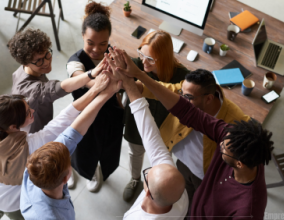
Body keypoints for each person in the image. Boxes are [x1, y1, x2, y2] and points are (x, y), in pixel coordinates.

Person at [113, 49, 274, 220]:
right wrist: (137, 76)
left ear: (239, 164)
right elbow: (186, 110)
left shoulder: (248, 210)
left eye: (223, 149)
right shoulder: (231, 136)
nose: (219, 144)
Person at [0, 74, 109, 220]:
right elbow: (65, 119)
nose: (33, 111)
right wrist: (95, 90)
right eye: (27, 113)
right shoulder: (30, 147)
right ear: (13, 126)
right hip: (13, 203)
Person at [140, 69, 250, 215]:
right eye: (181, 94)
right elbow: (164, 89)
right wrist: (136, 85)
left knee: (196, 207)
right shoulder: (189, 89)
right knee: (180, 200)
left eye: (188, 97)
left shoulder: (234, 121)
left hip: (204, 176)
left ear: (209, 98)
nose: (181, 101)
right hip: (182, 164)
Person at [9, 28, 105, 188]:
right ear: (25, 62)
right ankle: (64, 171)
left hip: (43, 125)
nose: (46, 61)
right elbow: (58, 88)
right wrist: (92, 74)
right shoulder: (27, 89)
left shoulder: (24, 70)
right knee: (55, 154)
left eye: (47, 54)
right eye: (39, 60)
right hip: (35, 135)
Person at [20, 72, 121, 219]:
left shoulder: (33, 171)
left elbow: (73, 132)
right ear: (67, 177)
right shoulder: (52, 217)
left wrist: (106, 93)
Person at [106, 53, 188, 219]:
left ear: (147, 190)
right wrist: (129, 83)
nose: (154, 164)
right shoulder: (180, 195)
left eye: (147, 173)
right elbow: (149, 132)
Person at [122, 30, 190, 201]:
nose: (143, 61)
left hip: (165, 130)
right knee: (135, 153)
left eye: (150, 59)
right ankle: (135, 178)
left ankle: (156, 188)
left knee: (160, 163)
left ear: (164, 58)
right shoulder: (135, 65)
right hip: (136, 125)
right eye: (141, 54)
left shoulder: (182, 77)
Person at [66, 1, 124, 192]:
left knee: (108, 150)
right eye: (90, 42)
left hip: (109, 115)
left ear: (109, 39)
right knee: (81, 149)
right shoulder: (75, 62)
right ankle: (73, 170)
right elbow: (81, 79)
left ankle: (96, 172)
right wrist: (102, 84)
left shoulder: (115, 56)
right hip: (84, 114)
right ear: (82, 36)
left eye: (103, 44)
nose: (97, 49)